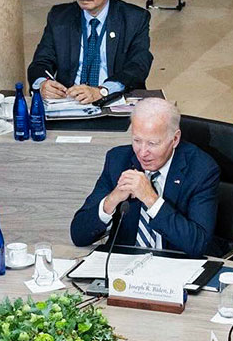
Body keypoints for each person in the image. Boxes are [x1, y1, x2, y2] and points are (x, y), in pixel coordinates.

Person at [68, 98, 219, 257]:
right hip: (123, 267)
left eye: (152, 144)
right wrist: (112, 199)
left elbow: (198, 244)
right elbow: (78, 235)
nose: (142, 152)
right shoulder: (118, 160)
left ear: (175, 139)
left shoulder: (201, 170)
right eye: (137, 141)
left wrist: (151, 200)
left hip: (174, 267)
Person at [28, 0, 152, 103]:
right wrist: (42, 84)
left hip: (113, 100)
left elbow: (138, 66)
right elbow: (41, 62)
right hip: (70, 101)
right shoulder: (59, 17)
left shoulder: (135, 18)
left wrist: (102, 91)